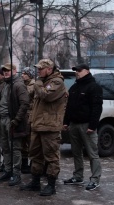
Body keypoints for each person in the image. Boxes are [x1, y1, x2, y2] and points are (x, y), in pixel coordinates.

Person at [20, 59, 67, 196]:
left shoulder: (57, 82)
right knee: (35, 154)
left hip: (50, 127)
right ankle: (35, 182)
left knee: (51, 156)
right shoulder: (43, 83)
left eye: (41, 69)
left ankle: (51, 184)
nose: (38, 71)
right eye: (38, 68)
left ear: (49, 69)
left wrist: (38, 83)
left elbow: (46, 95)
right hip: (37, 125)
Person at [63, 63, 103, 191]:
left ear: (87, 71)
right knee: (76, 152)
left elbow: (97, 108)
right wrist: (66, 121)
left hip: (87, 125)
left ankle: (95, 179)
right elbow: (69, 106)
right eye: (76, 70)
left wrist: (93, 125)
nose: (77, 72)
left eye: (79, 70)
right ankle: (78, 176)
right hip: (74, 124)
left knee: (92, 153)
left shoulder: (94, 87)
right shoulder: (74, 87)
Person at [0, 63, 29, 186]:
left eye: (8, 70)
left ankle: (16, 173)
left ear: (14, 71)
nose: (6, 72)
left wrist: (16, 120)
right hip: (2, 119)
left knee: (15, 148)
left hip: (12, 120)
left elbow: (25, 104)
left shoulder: (19, 85)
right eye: (4, 71)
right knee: (5, 147)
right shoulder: (3, 85)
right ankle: (7, 170)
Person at [21, 67, 36, 174]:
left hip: (30, 116)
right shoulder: (22, 84)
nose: (22, 75)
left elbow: (27, 94)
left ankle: (33, 163)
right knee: (23, 141)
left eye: (25, 73)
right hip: (23, 115)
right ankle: (24, 163)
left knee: (31, 141)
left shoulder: (33, 85)